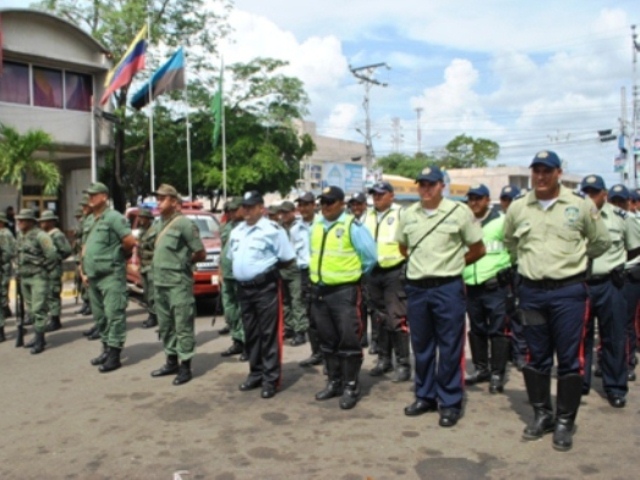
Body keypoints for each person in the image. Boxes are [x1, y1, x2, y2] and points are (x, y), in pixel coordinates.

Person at [504, 151, 610, 451]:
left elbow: (600, 241)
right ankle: (542, 414)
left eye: (546, 171)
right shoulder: (519, 207)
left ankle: (564, 421)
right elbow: (510, 241)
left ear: (558, 173)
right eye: (536, 170)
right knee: (535, 356)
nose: (540, 176)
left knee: (569, 359)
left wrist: (573, 262)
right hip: (532, 293)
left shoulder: (579, 205)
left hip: (569, 293)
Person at [396, 166, 485, 427]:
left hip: (448, 288)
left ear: (441, 186)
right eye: (422, 184)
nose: (426, 189)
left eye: (431, 184)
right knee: (421, 346)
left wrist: (452, 264)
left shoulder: (459, 212)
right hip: (417, 288)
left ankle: (450, 401)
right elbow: (403, 247)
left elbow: (477, 249)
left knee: (449, 347)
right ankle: (425, 395)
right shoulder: (409, 214)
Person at [310, 186, 377, 410]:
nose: (326, 206)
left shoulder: (352, 225)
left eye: (330, 202)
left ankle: (351, 386)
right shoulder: (317, 225)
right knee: (327, 340)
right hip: (321, 291)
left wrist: (354, 277)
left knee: (348, 340)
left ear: (341, 203)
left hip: (344, 292)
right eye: (323, 202)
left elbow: (370, 257)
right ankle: (334, 382)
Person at [227, 191, 296, 399]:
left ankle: (270, 378)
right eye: (244, 206)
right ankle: (255, 373)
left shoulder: (272, 230)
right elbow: (232, 257)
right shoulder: (237, 231)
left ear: (261, 208)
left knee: (269, 334)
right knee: (251, 333)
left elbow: (287, 258)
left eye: (250, 206)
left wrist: (266, 272)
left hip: (265, 287)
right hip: (244, 288)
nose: (246, 210)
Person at [580, 177, 640, 409]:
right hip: (583, 283)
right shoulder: (576, 216)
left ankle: (615, 387)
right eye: (586, 192)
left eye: (594, 192)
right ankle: (581, 381)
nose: (590, 197)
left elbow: (634, 247)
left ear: (603, 193)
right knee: (581, 336)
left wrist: (619, 267)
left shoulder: (620, 218)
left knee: (614, 336)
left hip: (611, 284)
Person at [149, 184, 206, 385]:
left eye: (162, 198)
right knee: (165, 326)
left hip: (178, 283)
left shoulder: (184, 224)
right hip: (160, 283)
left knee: (182, 325)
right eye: (158, 198)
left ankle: (185, 367)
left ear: (174, 202)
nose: (158, 202)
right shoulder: (159, 224)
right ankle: (171, 361)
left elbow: (200, 252)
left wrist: (183, 263)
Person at [81, 182, 136, 373]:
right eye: (89, 195)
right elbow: (85, 247)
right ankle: (105, 349)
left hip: (111, 275)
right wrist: (83, 270)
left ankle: (114, 355)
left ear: (104, 197)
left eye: (94, 195)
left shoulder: (113, 217)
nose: (90, 198)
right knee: (100, 316)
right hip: (93, 276)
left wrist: (117, 256)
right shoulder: (89, 220)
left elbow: (129, 241)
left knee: (114, 315)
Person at [463, 184, 512, 394]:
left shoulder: (501, 222)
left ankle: (497, 373)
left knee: (498, 330)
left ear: (487, 199)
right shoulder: (465, 223)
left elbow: (514, 247)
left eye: (478, 198)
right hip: (471, 285)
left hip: (495, 285)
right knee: (476, 329)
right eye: (471, 198)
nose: (474, 202)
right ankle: (481, 368)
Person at [363, 181, 410, 382]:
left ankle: (403, 363)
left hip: (394, 272)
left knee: (396, 318)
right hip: (373, 273)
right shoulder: (368, 215)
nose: (377, 197)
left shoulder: (401, 214)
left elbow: (410, 241)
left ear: (391, 195)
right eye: (374, 194)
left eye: (381, 194)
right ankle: (384, 359)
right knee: (379, 318)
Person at [608, 185, 640, 383]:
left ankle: (627, 362)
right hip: (612, 275)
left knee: (626, 323)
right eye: (615, 201)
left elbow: (634, 249)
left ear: (629, 202)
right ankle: (609, 362)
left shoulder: (630, 220)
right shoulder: (606, 220)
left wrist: (619, 262)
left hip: (629, 273)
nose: (619, 205)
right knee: (612, 323)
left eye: (622, 201)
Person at [15, 209, 57, 354]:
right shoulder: (21, 236)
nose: (19, 222)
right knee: (31, 310)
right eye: (18, 219)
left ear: (31, 221)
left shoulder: (41, 235)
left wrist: (44, 269)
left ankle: (40, 340)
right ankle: (37, 336)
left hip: (38, 277)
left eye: (22, 219)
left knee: (39, 309)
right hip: (25, 277)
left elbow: (52, 254)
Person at [499, 185, 527, 370]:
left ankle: (520, 352)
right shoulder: (498, 220)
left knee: (519, 314)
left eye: (511, 200)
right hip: (501, 272)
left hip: (517, 270)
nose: (508, 204)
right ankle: (506, 352)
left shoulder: (522, 219)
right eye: (505, 199)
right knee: (503, 315)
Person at [296, 192, 324, 368]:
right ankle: (316, 352)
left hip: (322, 273)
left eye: (307, 204)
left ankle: (329, 351)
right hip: (304, 274)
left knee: (325, 316)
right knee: (310, 315)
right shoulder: (295, 229)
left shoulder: (323, 223)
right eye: (301, 205)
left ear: (314, 205)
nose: (303, 208)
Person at [278, 200, 310, 347]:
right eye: (281, 212)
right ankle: (289, 327)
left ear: (293, 212)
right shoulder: (278, 228)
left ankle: (300, 331)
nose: (283, 215)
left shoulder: (297, 227)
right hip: (282, 269)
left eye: (286, 212)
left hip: (295, 269)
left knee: (297, 300)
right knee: (285, 301)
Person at [219, 197, 248, 360]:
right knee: (229, 309)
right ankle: (236, 339)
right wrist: (220, 270)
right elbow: (222, 250)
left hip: (240, 274)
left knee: (243, 310)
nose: (231, 213)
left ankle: (247, 343)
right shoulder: (226, 227)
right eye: (229, 210)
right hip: (227, 274)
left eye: (234, 209)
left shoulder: (247, 227)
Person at [348, 191, 375, 352]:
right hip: (355, 271)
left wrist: (366, 269)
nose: (356, 207)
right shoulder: (350, 221)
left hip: (369, 269)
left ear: (365, 205)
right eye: (353, 204)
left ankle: (376, 340)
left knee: (372, 306)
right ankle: (363, 335)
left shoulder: (369, 220)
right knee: (361, 306)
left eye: (359, 204)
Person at [38, 210, 72, 332]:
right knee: (47, 294)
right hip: (45, 269)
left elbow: (67, 250)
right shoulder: (45, 235)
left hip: (53, 269)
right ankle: (51, 317)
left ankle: (55, 320)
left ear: (51, 222)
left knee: (53, 294)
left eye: (44, 221)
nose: (42, 224)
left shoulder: (57, 235)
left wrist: (55, 258)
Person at [137, 208, 158, 329]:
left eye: (143, 217)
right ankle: (151, 314)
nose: (140, 220)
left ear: (149, 219)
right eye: (140, 217)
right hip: (144, 267)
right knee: (146, 293)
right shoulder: (142, 232)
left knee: (152, 294)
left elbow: (156, 250)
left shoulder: (154, 232)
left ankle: (154, 317)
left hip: (151, 266)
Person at [0, 212, 16, 342]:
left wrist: (3, 262)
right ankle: (6, 309)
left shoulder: (4, 234)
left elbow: (9, 252)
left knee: (2, 291)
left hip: (3, 268)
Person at [77, 195, 94, 321]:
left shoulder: (95, 219)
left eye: (85, 206)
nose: (83, 208)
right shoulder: (86, 220)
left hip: (94, 260)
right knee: (86, 286)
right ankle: (87, 304)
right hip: (85, 257)